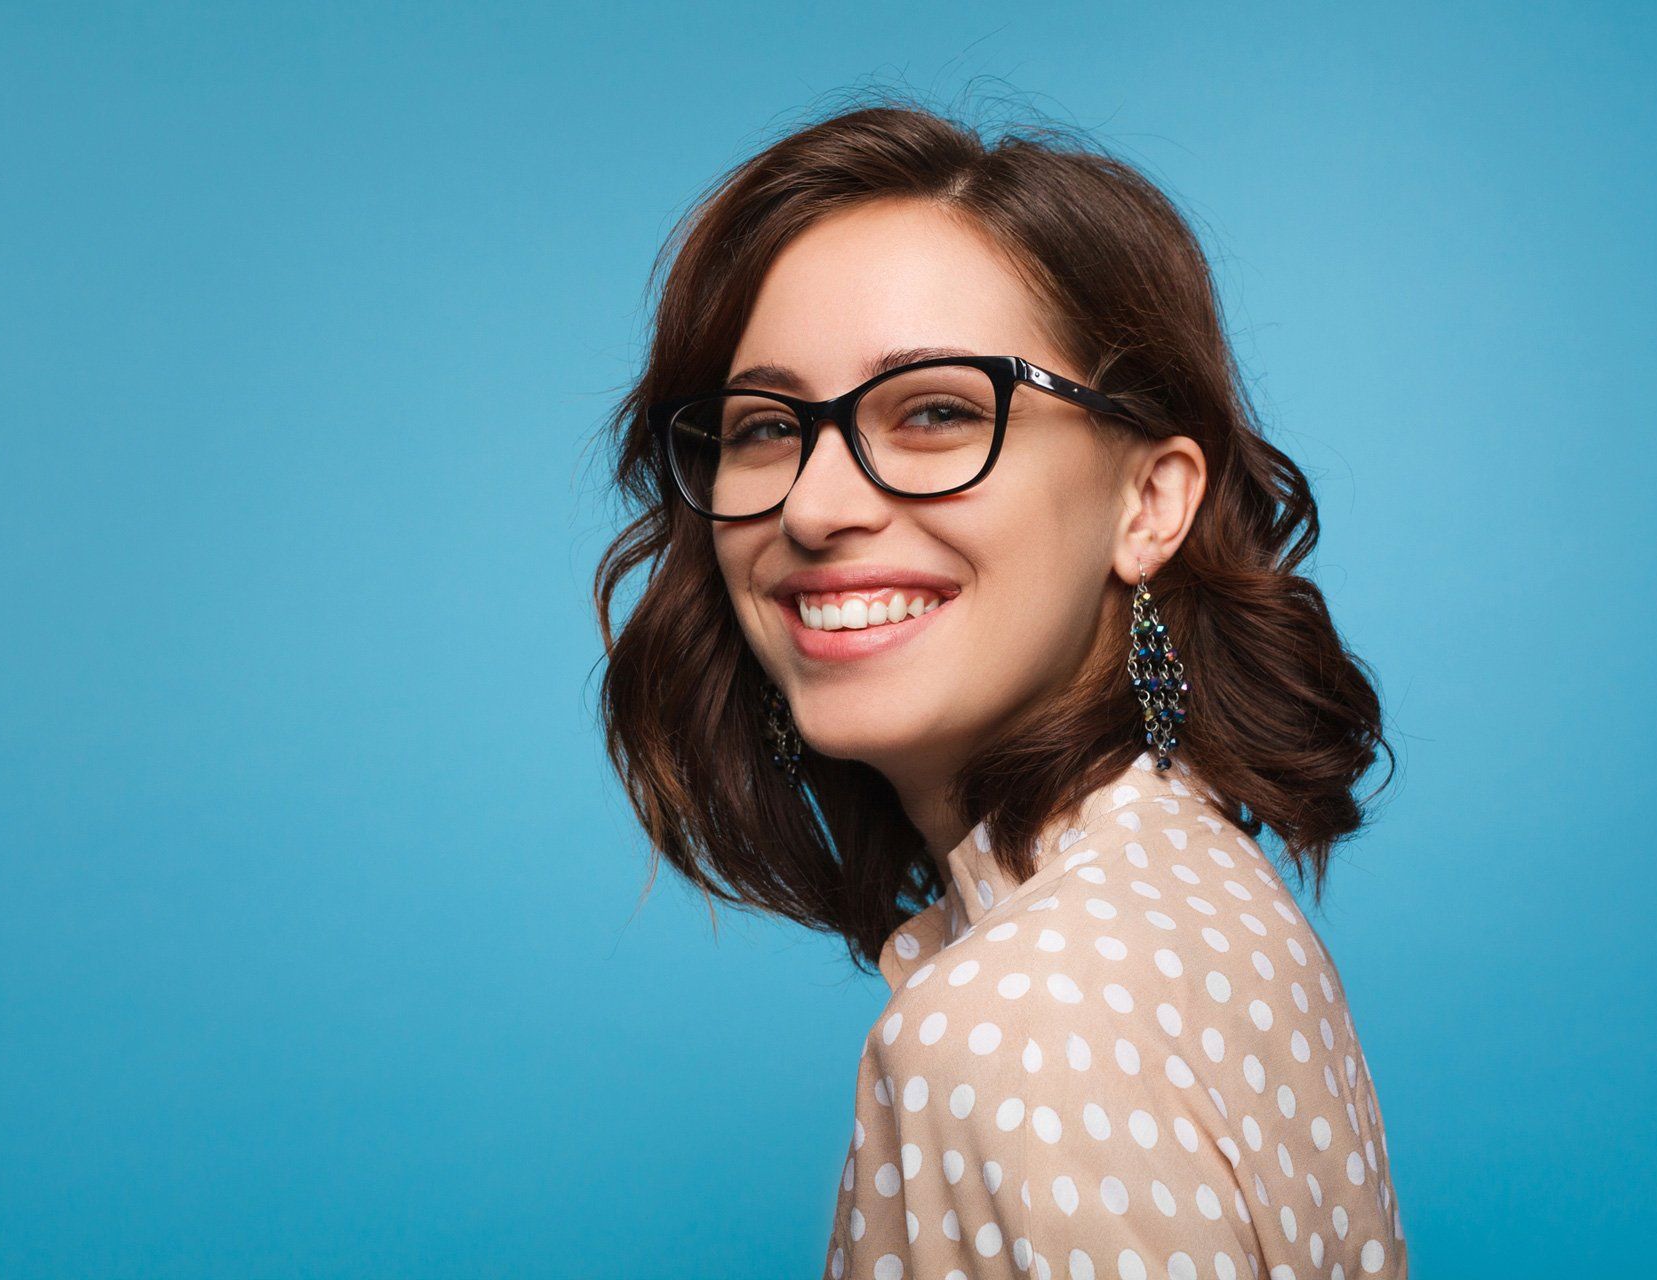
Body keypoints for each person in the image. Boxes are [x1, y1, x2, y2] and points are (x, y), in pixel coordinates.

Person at [592, 97, 1408, 1279]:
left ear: (1150, 502)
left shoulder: (1014, 1023)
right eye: (764, 427)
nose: (814, 506)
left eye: (936, 411)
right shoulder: (1192, 883)